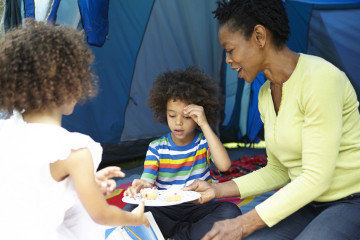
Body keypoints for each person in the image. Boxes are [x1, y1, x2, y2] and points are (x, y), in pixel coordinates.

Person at [183, 0, 360, 239]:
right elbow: (278, 170)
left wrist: (245, 223)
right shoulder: (266, 94)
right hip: (305, 201)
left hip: (349, 201)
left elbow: (317, 178)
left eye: (230, 50)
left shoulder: (321, 79)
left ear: (259, 36)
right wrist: (216, 190)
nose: (227, 60)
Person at [0, 22, 149, 240]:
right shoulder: (73, 150)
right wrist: (134, 219)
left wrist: (86, 180)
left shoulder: (7, 132)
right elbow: (101, 215)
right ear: (70, 84)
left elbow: (30, 181)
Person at [123, 67, 242, 240]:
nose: (178, 123)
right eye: (172, 115)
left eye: (187, 117)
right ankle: (189, 233)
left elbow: (224, 166)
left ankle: (180, 236)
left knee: (231, 211)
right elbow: (147, 180)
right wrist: (142, 186)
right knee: (130, 211)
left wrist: (205, 125)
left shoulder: (203, 142)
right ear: (164, 113)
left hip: (199, 208)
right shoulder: (157, 147)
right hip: (166, 210)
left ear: (198, 115)